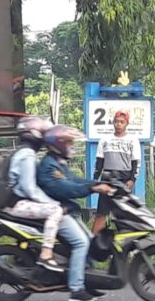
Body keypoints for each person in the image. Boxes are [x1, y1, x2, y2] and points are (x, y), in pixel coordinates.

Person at [37, 125, 114, 301]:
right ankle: (76, 290)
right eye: (69, 143)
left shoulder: (57, 163)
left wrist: (97, 183)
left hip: (66, 211)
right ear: (59, 144)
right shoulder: (49, 166)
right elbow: (66, 189)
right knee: (81, 243)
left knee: (89, 240)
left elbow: (75, 180)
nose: (72, 146)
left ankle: (87, 282)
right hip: (58, 212)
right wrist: (93, 188)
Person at [2, 116, 64, 272]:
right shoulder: (28, 155)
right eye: (43, 134)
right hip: (17, 203)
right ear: (35, 135)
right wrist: (53, 203)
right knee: (55, 211)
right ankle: (46, 254)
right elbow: (30, 189)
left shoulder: (22, 152)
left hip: (14, 201)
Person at [91, 111, 141, 235]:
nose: (118, 124)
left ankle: (123, 244)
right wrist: (95, 179)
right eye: (116, 121)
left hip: (124, 180)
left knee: (123, 213)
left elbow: (136, 162)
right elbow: (99, 161)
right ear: (113, 123)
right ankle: (93, 242)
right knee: (101, 213)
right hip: (107, 179)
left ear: (126, 124)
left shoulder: (133, 140)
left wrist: (132, 180)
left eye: (121, 122)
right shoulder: (105, 139)